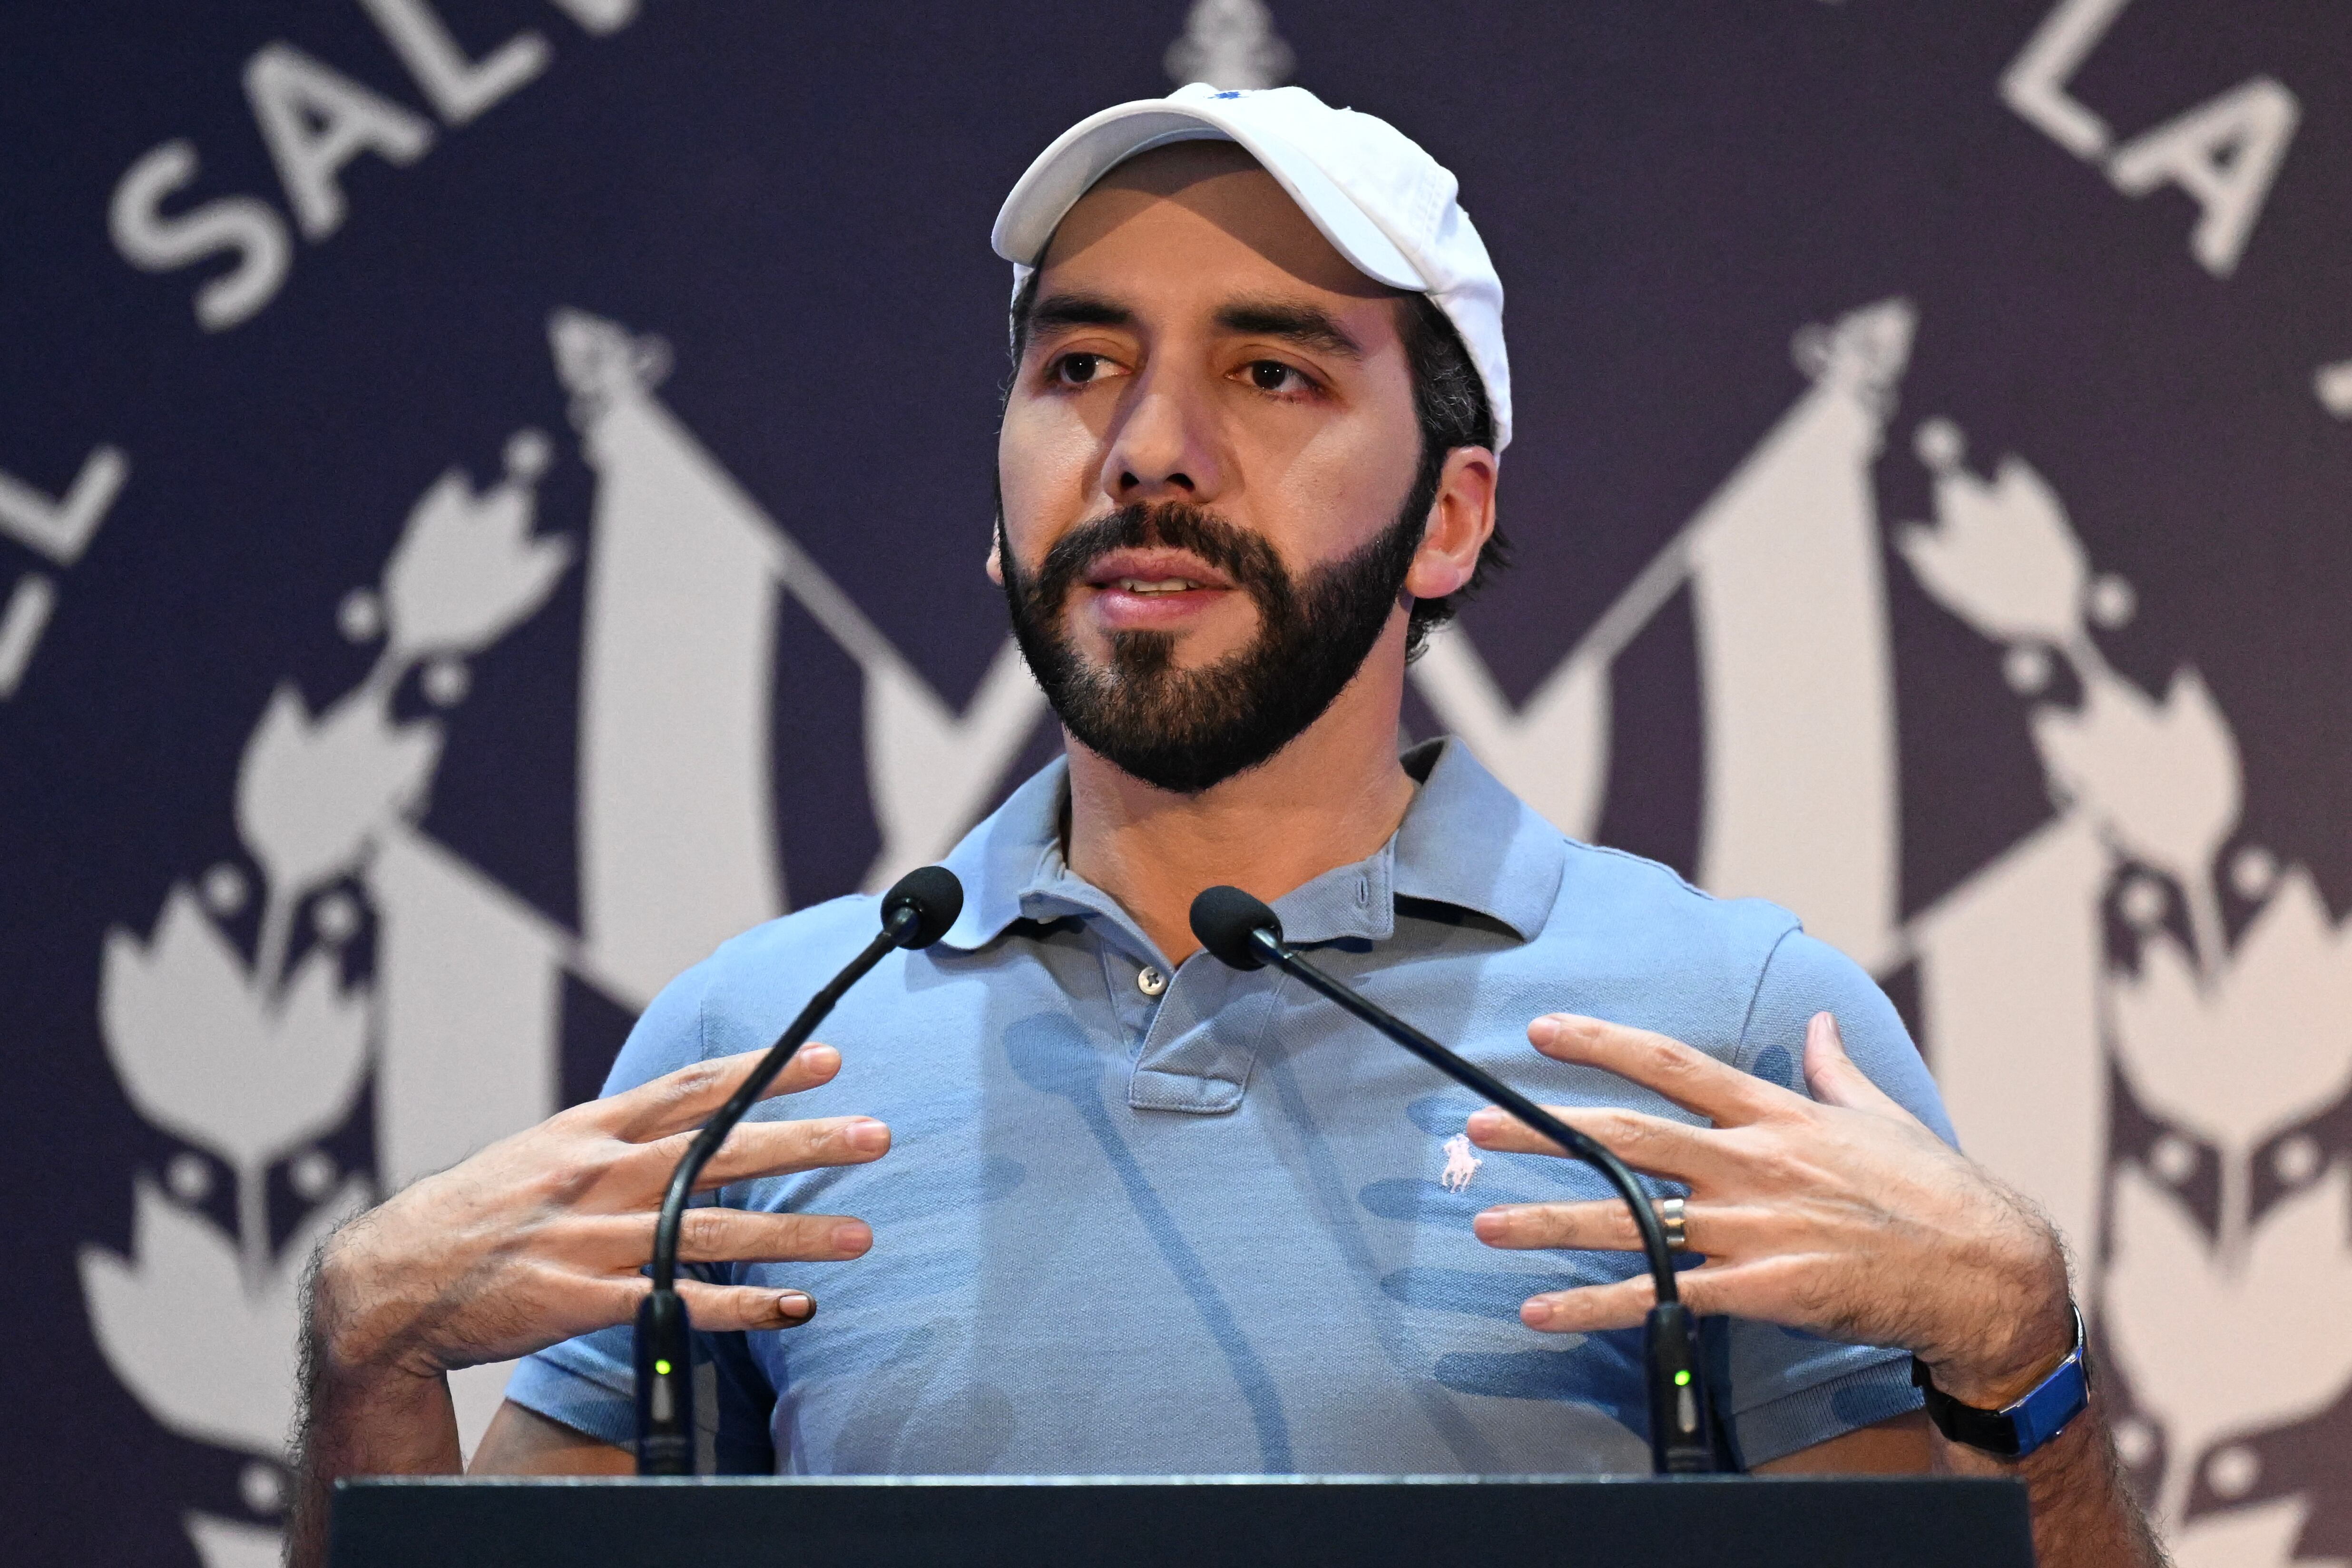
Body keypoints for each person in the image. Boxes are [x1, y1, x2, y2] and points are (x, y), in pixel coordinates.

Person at [291, 85, 2165, 1567]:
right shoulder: (758, 1045)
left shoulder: (1729, 1023)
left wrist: (2026, 1367)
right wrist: (365, 1377)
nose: (1150, 446)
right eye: (1080, 365)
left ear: (1449, 515)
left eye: (1271, 372)